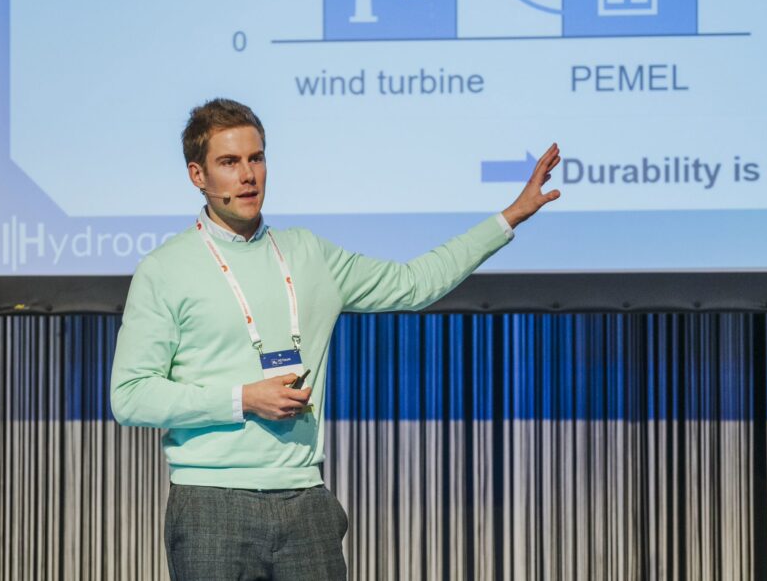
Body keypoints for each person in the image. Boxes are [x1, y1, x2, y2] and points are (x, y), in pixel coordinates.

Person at [110, 98, 560, 580]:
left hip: (305, 501)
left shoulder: (308, 253)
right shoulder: (165, 269)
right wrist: (244, 399)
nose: (248, 176)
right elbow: (130, 396)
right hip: (210, 504)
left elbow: (414, 283)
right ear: (197, 175)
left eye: (256, 158)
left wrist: (510, 216)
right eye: (229, 162)